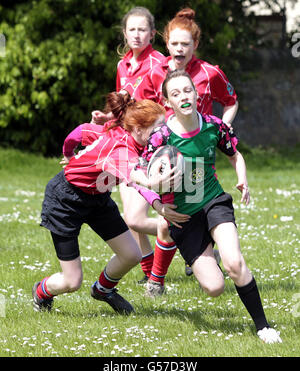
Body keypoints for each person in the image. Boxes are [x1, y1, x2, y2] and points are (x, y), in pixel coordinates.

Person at [131, 69, 282, 344]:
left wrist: (242, 179)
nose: (183, 96)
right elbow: (136, 173)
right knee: (214, 287)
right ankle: (206, 250)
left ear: (196, 93)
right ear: (168, 102)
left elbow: (234, 154)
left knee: (235, 263)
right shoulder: (161, 137)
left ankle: (264, 327)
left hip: (214, 201)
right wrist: (156, 194)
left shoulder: (213, 125)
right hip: (183, 218)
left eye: (187, 90)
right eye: (175, 94)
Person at [32, 91, 189, 315]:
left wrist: (157, 205)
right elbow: (136, 177)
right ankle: (41, 292)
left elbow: (80, 133)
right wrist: (68, 155)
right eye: (157, 129)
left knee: (132, 255)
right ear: (138, 129)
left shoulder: (136, 141)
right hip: (65, 200)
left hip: (98, 199)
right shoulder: (120, 148)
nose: (162, 134)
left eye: (163, 128)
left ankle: (103, 290)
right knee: (72, 281)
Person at [134, 7, 238, 278]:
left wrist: (224, 127)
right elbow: (139, 107)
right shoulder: (156, 73)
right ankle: (176, 267)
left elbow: (231, 101)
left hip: (199, 156)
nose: (179, 49)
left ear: (195, 45)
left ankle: (162, 276)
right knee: (164, 218)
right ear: (166, 44)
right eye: (174, 43)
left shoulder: (209, 72)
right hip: (166, 156)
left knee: (176, 218)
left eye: (185, 44)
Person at [90, 7, 165, 283]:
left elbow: (166, 108)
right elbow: (124, 107)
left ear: (152, 34)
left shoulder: (160, 64)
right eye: (132, 29)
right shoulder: (123, 65)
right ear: (124, 33)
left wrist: (158, 137)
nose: (136, 34)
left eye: (142, 29)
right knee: (129, 215)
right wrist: (107, 117)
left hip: (151, 146)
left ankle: (191, 233)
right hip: (126, 142)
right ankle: (150, 274)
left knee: (135, 218)